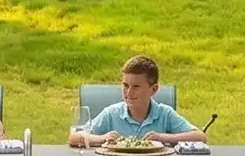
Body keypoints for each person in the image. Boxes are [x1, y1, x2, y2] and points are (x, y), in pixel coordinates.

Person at [68, 55, 205, 147]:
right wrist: (102, 138)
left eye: (136, 87)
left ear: (154, 89)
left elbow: (200, 137)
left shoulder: (165, 114)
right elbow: (74, 138)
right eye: (125, 86)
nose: (129, 92)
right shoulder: (112, 114)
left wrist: (164, 138)